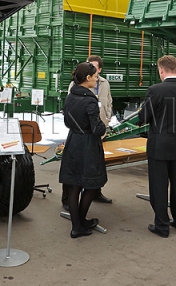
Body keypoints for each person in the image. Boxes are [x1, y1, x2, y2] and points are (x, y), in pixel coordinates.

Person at [138, 55, 176, 238]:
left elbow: (143, 118)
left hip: (159, 146)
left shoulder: (155, 90)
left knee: (159, 186)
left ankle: (162, 226)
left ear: (161, 70)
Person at [59, 62, 108, 238]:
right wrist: (104, 127)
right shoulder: (90, 101)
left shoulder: (70, 97)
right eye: (95, 77)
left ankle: (78, 224)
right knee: (91, 184)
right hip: (88, 145)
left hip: (73, 142)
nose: (97, 80)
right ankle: (78, 224)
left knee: (74, 186)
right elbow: (97, 129)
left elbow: (66, 122)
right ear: (87, 78)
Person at [61, 55, 114, 210]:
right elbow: (71, 110)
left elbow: (108, 102)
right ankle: (68, 201)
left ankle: (95, 193)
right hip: (83, 132)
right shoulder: (75, 87)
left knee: (92, 170)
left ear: (99, 70)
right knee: (75, 173)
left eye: (94, 68)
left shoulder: (104, 83)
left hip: (96, 132)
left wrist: (106, 120)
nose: (92, 72)